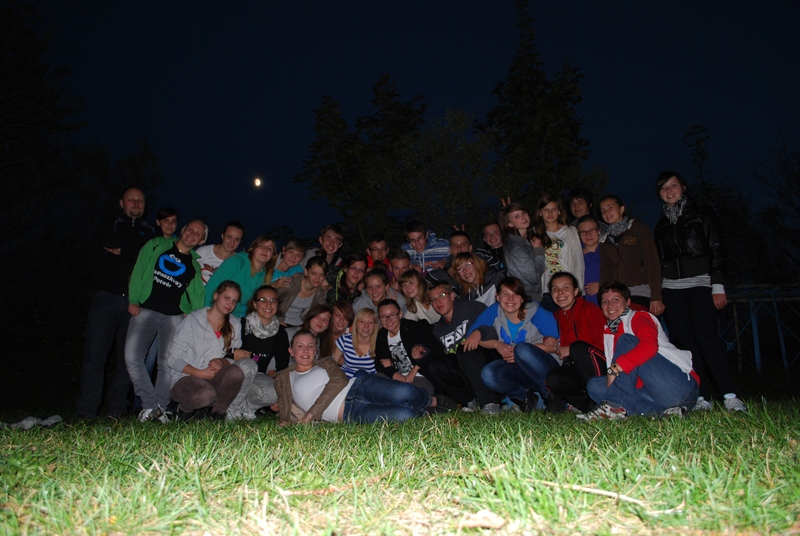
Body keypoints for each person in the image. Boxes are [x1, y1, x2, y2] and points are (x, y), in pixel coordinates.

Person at [653, 171, 746, 411]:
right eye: (664, 188)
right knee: (686, 342)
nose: (669, 191)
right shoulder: (661, 224)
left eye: (673, 185)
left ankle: (730, 395)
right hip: (672, 287)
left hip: (701, 282)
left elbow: (716, 247)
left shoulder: (701, 213)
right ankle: (702, 397)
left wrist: (718, 283)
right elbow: (659, 260)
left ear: (683, 187)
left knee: (706, 337)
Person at [76, 187, 156, 418]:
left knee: (126, 359)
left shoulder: (150, 230)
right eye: (131, 200)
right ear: (122, 203)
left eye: (140, 201)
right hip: (106, 297)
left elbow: (149, 257)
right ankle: (86, 410)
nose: (136, 204)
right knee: (95, 356)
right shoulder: (109, 222)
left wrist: (124, 249)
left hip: (134, 302)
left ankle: (117, 410)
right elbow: (107, 239)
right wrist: (135, 246)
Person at [578, 282, 699, 420]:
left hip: (676, 387)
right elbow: (623, 376)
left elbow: (649, 346)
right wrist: (614, 380)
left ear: (628, 302)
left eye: (616, 300)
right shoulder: (609, 332)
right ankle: (665, 414)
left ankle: (614, 406)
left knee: (627, 341)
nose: (610, 305)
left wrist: (615, 368)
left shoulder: (639, 317)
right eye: (605, 302)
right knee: (595, 386)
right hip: (650, 394)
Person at [125, 220, 208, 422]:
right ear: (183, 230)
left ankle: (160, 408)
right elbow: (139, 269)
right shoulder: (157, 245)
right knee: (132, 357)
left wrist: (190, 313)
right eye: (190, 229)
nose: (192, 234)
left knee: (167, 364)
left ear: (201, 241)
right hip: (146, 309)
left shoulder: (194, 266)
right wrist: (134, 298)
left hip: (173, 316)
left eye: (197, 234)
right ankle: (151, 405)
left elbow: (197, 296)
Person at [273, 330, 434, 425]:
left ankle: (432, 401)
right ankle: (425, 412)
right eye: (300, 346)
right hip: (350, 413)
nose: (306, 350)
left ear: (316, 351)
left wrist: (313, 412)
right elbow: (284, 407)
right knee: (406, 416)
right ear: (291, 351)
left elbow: (340, 381)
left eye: (310, 346)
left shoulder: (326, 363)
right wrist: (285, 420)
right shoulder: (284, 378)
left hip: (358, 387)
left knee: (404, 392)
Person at [465, 277, 560, 412]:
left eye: (516, 294)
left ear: (522, 298)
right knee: (489, 373)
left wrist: (518, 354)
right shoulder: (494, 311)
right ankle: (525, 398)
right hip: (519, 370)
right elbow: (471, 339)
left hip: (545, 370)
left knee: (522, 350)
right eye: (505, 294)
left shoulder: (537, 313)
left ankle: (552, 397)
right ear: (497, 297)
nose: (510, 299)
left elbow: (558, 346)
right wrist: (495, 343)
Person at [166, 280, 257, 421]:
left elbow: (232, 358)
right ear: (216, 296)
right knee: (205, 395)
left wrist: (223, 361)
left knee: (236, 372)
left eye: (234, 301)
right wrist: (199, 373)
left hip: (214, 379)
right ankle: (184, 410)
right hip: (186, 378)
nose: (230, 304)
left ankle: (217, 413)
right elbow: (172, 359)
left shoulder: (234, 324)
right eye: (226, 298)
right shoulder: (193, 320)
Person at [425, 281, 501, 414]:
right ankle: (469, 400)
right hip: (466, 369)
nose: (438, 301)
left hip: (488, 361)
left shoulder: (472, 308)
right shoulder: (438, 329)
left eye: (441, 295)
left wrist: (479, 332)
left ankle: (490, 403)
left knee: (464, 350)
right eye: (433, 299)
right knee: (436, 365)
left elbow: (493, 330)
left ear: (452, 295)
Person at [544, 272, 607, 412]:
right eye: (555, 289)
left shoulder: (590, 310)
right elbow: (548, 336)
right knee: (553, 378)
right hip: (575, 368)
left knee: (578, 348)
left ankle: (604, 401)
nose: (560, 293)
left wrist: (572, 349)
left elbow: (604, 345)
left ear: (576, 291)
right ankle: (588, 407)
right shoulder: (555, 317)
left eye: (566, 287)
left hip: (599, 366)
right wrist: (547, 339)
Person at [598, 195, 664, 315]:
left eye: (610, 208)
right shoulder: (604, 239)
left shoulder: (637, 228)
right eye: (603, 210)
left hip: (640, 291)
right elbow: (605, 272)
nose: (607, 213)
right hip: (617, 295)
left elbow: (653, 261)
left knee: (640, 324)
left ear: (622, 209)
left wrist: (656, 296)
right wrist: (602, 297)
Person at [234, 285, 289, 418]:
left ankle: (248, 409)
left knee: (273, 392)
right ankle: (232, 409)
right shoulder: (240, 325)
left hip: (257, 376)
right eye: (263, 300)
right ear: (255, 304)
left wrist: (280, 395)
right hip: (235, 375)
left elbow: (282, 367)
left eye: (273, 300)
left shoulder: (280, 333)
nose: (268, 305)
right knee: (248, 364)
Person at [374, 299, 444, 395]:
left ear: (400, 314)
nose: (388, 320)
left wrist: (417, 367)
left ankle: (430, 400)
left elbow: (437, 347)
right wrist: (393, 373)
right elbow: (379, 362)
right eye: (383, 317)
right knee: (374, 381)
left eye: (392, 315)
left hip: (420, 377)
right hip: (398, 379)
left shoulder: (412, 327)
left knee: (402, 392)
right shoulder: (382, 335)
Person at [533, 194, 584, 312]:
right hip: (546, 290)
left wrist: (579, 289)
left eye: (554, 209)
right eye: (546, 210)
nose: (550, 213)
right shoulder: (535, 233)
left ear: (559, 211)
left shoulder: (570, 231)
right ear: (540, 213)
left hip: (567, 289)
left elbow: (578, 260)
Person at [204, 235, 276, 318]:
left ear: (272, 255)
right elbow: (212, 286)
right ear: (253, 249)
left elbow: (259, 304)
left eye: (269, 248)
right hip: (213, 311)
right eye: (261, 246)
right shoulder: (237, 261)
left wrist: (273, 319)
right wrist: (207, 314)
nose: (265, 250)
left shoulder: (265, 276)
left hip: (234, 316)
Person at [499, 202, 546, 302]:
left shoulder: (525, 239)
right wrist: (538, 250)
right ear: (510, 224)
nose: (523, 217)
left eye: (524, 213)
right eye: (517, 216)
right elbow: (534, 278)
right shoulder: (516, 247)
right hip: (527, 298)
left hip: (531, 296)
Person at [277, 256, 329, 330]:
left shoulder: (321, 292)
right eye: (314, 273)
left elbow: (320, 312)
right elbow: (271, 299)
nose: (317, 278)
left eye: (321, 275)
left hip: (301, 326)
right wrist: (275, 319)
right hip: (280, 322)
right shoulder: (290, 284)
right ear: (306, 272)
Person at [334, 308, 379, 377]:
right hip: (345, 380)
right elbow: (333, 363)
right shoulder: (344, 339)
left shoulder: (379, 343)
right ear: (356, 324)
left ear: (375, 326)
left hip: (369, 381)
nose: (366, 326)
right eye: (362, 322)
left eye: (370, 322)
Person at [302, 224, 345, 291]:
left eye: (336, 240)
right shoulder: (307, 255)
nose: (331, 243)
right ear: (321, 240)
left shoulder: (341, 265)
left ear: (340, 245)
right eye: (328, 238)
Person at [577, 215, 602, 306]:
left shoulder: (609, 252)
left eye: (592, 230)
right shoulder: (574, 255)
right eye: (583, 232)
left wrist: (602, 286)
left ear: (599, 231)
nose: (588, 235)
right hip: (582, 305)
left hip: (605, 303)